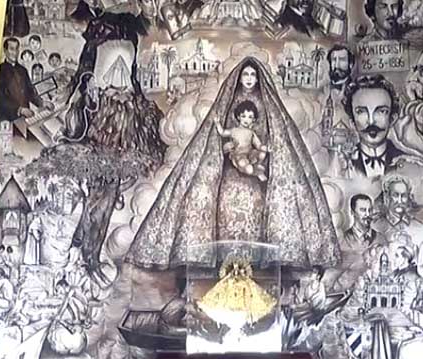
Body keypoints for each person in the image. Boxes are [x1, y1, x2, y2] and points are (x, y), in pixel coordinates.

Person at [131, 58, 340, 270]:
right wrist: (227, 148)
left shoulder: (265, 101)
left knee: (260, 197)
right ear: (239, 77)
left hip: (258, 158)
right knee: (224, 196)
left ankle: (256, 260)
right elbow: (222, 134)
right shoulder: (230, 100)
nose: (249, 78)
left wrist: (262, 151)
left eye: (252, 75)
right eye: (245, 74)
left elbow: (270, 134)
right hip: (232, 162)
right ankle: (225, 258)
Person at [344, 75, 403, 179]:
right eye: (361, 112)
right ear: (352, 122)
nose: (371, 121)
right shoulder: (343, 163)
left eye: (381, 111)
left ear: (392, 119)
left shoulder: (406, 161)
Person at [215, 101, 269, 182]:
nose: (246, 119)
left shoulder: (251, 132)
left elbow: (258, 145)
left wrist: (265, 148)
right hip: (239, 155)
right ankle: (255, 171)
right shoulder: (234, 130)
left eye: (250, 117)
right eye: (243, 116)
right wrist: (217, 123)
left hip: (250, 154)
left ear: (253, 120)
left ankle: (256, 166)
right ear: (238, 117)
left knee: (262, 151)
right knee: (246, 166)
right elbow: (222, 133)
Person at [0, 37, 44, 123]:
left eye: (17, 48)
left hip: (24, 119)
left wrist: (41, 103)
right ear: (5, 51)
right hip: (7, 119)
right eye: (12, 49)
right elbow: (0, 98)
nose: (15, 52)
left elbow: (30, 92)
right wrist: (20, 109)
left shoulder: (23, 70)